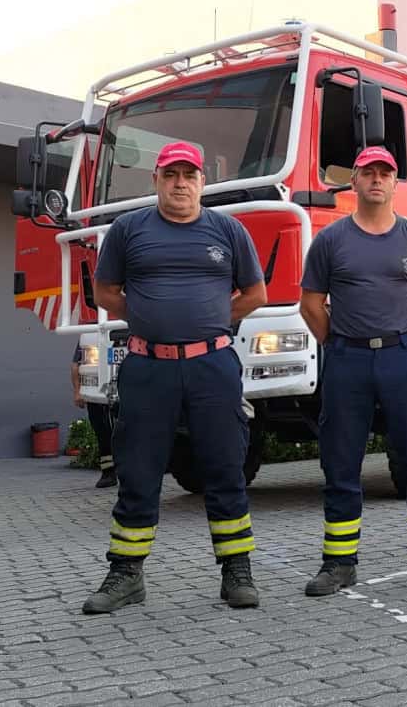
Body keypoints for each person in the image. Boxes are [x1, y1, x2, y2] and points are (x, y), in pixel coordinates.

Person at [81, 140, 268, 614]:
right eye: (170, 175)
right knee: (138, 470)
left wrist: (211, 320)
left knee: (225, 468)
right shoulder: (128, 230)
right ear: (156, 181)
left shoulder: (228, 230)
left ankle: (236, 571)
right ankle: (126, 574)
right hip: (148, 367)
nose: (180, 183)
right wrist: (149, 317)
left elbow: (255, 293)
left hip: (213, 366)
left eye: (188, 175)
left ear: (203, 181)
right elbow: (106, 292)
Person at [299, 146, 407, 597]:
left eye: (385, 173)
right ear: (355, 181)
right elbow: (310, 305)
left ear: (395, 182)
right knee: (341, 463)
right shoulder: (330, 240)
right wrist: (338, 345)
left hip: (402, 358)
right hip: (347, 360)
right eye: (368, 172)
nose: (377, 179)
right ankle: (339, 564)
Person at [71, 340, 116, 488]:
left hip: (111, 388)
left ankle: (117, 472)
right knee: (102, 431)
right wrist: (78, 392)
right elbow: (75, 365)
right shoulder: (89, 336)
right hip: (97, 390)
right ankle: (108, 471)